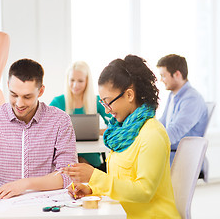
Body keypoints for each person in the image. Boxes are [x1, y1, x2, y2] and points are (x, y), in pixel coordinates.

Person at [63, 55, 180, 219]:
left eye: (108, 102)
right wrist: (91, 188)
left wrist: (94, 176)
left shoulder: (152, 134)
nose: (106, 110)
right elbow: (122, 181)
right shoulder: (123, 132)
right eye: (103, 103)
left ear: (129, 95)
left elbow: (143, 191)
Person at [0, 58, 77, 201]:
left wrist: (25, 184)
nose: (19, 103)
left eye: (27, 97)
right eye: (14, 94)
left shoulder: (60, 121)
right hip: (1, 206)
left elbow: (68, 174)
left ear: (41, 91)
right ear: (8, 85)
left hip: (45, 205)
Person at [50, 61, 111, 170]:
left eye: (80, 81)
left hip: (92, 160)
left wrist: (99, 132)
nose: (75, 85)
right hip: (65, 158)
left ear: (87, 81)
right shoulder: (58, 102)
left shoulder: (96, 101)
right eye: (72, 80)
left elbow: (115, 124)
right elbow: (45, 127)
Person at [156, 54, 208, 166]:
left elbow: (175, 131)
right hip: (172, 154)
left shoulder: (192, 99)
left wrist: (148, 140)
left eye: (163, 76)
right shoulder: (173, 95)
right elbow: (162, 123)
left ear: (177, 74)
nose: (161, 80)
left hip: (183, 159)